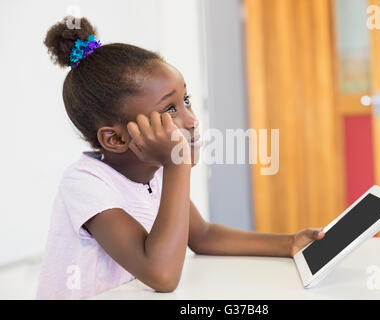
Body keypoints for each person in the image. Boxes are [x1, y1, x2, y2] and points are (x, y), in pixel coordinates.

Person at [36, 16, 325, 299]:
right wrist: (177, 164)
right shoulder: (86, 183)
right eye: (169, 110)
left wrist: (290, 243)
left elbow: (204, 236)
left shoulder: (155, 172)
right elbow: (161, 274)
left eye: (185, 101)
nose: (191, 120)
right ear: (116, 139)